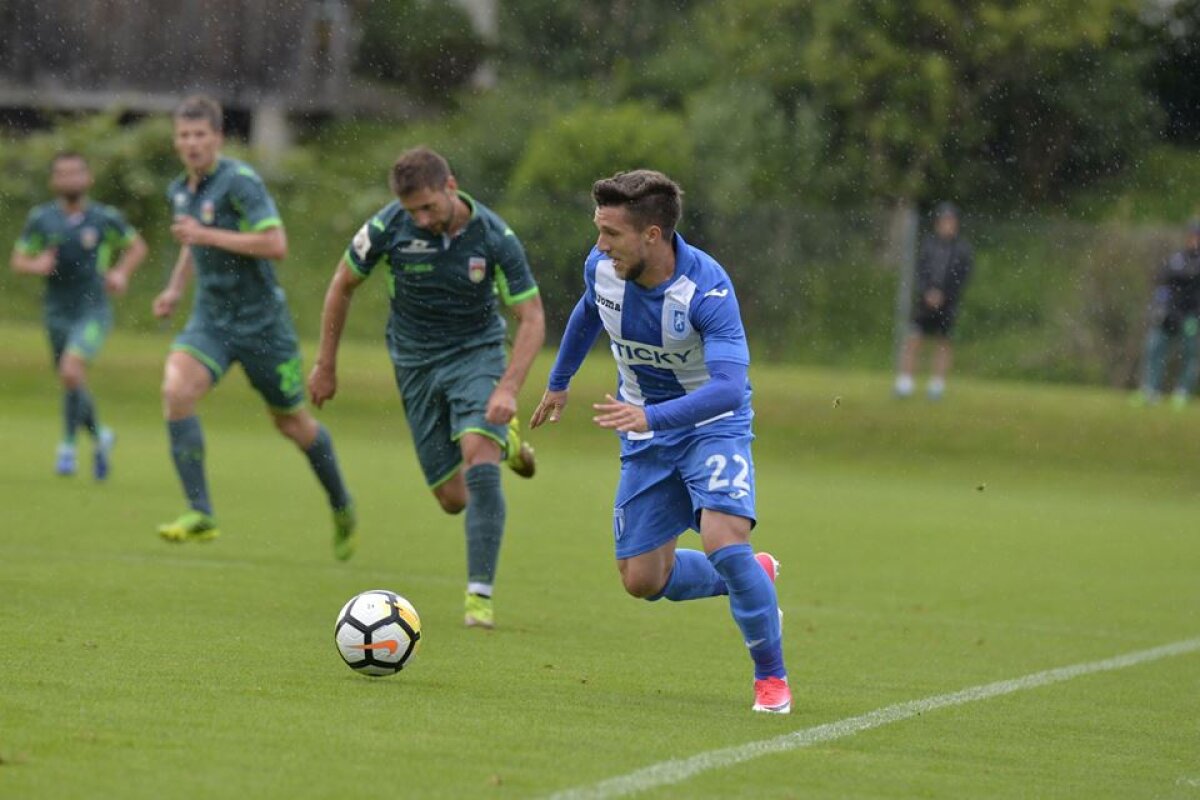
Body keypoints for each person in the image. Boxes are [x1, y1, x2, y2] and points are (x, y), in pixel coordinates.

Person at [529, 170, 790, 714]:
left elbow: (728, 389)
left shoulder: (707, 289)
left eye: (612, 234)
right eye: (598, 231)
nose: (600, 245)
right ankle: (751, 576)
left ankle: (771, 679)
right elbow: (587, 312)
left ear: (653, 235)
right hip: (644, 433)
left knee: (724, 539)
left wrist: (652, 415)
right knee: (643, 580)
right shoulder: (601, 269)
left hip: (709, 427)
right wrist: (559, 381)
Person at [308, 146, 544, 629]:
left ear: (450, 187)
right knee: (453, 499)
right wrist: (325, 365)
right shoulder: (385, 228)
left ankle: (480, 598)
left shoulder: (494, 236)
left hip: (475, 353)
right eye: (411, 209)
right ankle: (510, 443)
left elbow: (532, 317)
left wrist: (508, 389)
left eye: (428, 207)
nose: (420, 218)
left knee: (478, 452)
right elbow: (341, 286)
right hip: (414, 364)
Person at [152, 94, 356, 559]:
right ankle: (200, 512)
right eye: (184, 135)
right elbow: (191, 242)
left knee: (293, 424)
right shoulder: (180, 190)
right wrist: (174, 290)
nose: (192, 143)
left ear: (218, 138)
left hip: (264, 325)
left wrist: (204, 235)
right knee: (176, 391)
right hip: (211, 320)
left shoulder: (240, 183)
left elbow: (274, 243)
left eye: (200, 134)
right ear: (176, 141)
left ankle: (341, 502)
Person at [10, 152, 148, 479]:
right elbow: (18, 259)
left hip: (93, 309)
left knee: (72, 370)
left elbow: (137, 247)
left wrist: (121, 273)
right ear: (53, 181)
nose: (70, 179)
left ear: (88, 179)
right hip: (57, 311)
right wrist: (36, 265)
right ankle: (101, 437)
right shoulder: (42, 219)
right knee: (71, 379)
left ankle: (68, 446)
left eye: (76, 173)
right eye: (63, 173)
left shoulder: (104, 218)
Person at [895, 202, 974, 400]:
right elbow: (919, 272)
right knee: (914, 339)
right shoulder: (929, 245)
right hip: (924, 302)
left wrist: (945, 296)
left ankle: (937, 386)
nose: (947, 225)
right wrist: (927, 293)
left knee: (943, 342)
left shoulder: (962, 250)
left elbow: (963, 278)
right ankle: (905, 383)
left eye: (950, 221)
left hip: (948, 304)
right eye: (943, 221)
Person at [1133, 220, 1200, 409]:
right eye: (1193, 236)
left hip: (1191, 317)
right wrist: (1159, 306)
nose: (1194, 241)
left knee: (1189, 354)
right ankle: (1150, 390)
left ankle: (1182, 392)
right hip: (1169, 314)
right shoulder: (1176, 258)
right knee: (1154, 349)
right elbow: (1163, 283)